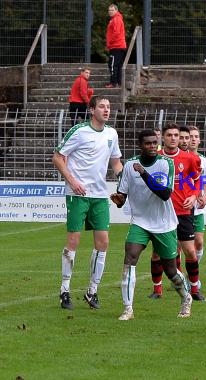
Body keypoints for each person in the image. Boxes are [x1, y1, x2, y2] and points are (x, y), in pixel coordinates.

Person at [110, 129, 193, 320]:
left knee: (170, 270)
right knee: (129, 259)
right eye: (148, 143)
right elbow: (123, 195)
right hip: (140, 221)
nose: (153, 146)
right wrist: (119, 199)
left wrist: (145, 173)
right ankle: (128, 308)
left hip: (163, 223)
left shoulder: (166, 164)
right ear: (140, 145)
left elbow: (164, 194)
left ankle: (186, 297)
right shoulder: (130, 165)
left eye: (155, 142)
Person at [52, 95, 123, 310]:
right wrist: (72, 181)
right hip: (78, 194)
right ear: (92, 110)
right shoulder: (79, 131)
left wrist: (125, 182)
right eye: (101, 106)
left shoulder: (112, 133)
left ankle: (92, 291)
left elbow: (116, 162)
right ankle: (65, 291)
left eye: (108, 107)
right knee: (73, 241)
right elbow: (57, 156)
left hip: (100, 196)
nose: (106, 110)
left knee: (103, 243)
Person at [148, 123, 206, 301]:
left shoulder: (190, 159)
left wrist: (195, 196)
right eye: (170, 135)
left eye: (176, 135)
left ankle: (194, 289)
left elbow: (197, 181)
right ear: (163, 138)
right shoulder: (155, 158)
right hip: (161, 212)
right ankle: (157, 290)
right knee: (157, 252)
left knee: (190, 250)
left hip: (183, 211)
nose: (174, 138)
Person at [187, 126, 206, 267]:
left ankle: (192, 274)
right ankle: (181, 277)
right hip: (182, 205)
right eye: (190, 136)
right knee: (179, 245)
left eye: (196, 136)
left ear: (199, 140)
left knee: (199, 242)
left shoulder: (204, 161)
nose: (193, 139)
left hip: (198, 207)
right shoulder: (179, 158)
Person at [105, 3, 127, 88]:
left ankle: (114, 82)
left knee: (112, 64)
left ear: (116, 10)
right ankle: (118, 82)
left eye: (112, 10)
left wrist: (109, 43)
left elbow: (116, 33)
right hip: (118, 45)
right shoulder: (115, 19)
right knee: (117, 64)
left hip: (116, 46)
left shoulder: (116, 19)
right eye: (109, 10)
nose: (110, 12)